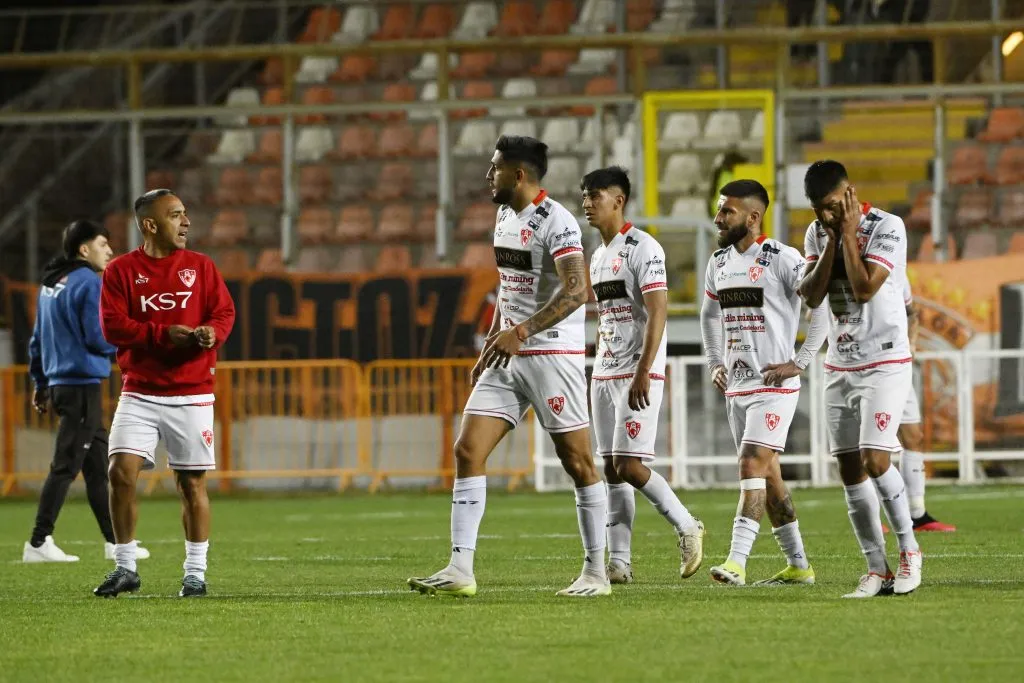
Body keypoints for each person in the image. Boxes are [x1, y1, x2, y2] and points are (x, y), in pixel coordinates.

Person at [407, 136, 609, 598]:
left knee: (576, 462)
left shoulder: (557, 222)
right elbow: (508, 288)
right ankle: (461, 569)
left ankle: (597, 573)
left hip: (552, 354)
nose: (487, 175)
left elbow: (578, 291)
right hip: (508, 353)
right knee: (467, 450)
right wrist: (493, 343)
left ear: (518, 175)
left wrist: (521, 332)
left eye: (495, 168)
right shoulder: (502, 216)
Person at [93, 189, 235, 598]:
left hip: (191, 393)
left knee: (191, 484)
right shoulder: (121, 272)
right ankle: (125, 567)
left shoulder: (201, 267)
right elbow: (112, 327)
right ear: (150, 225)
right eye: (176, 215)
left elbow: (223, 312)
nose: (186, 222)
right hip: (139, 392)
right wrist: (161, 335)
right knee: (120, 474)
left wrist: (212, 333)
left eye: (185, 214)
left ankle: (195, 573)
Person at [798, 160, 923, 598]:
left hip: (885, 359)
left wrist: (848, 233)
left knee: (876, 458)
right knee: (849, 469)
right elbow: (811, 295)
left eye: (832, 206)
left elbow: (866, 287)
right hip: (840, 363)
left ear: (850, 193)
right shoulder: (817, 233)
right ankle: (876, 568)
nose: (825, 216)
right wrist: (834, 237)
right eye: (818, 209)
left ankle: (909, 551)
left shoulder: (888, 226)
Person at [700, 179, 827, 587]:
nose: (718, 218)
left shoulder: (782, 258)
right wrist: (715, 361)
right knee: (769, 477)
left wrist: (801, 361)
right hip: (737, 386)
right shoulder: (718, 262)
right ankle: (800, 565)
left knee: (750, 462)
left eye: (727, 212)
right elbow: (708, 315)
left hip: (774, 385)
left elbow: (818, 305)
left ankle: (736, 562)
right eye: (720, 210)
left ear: (753, 217)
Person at [582, 166, 705, 585]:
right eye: (584, 195)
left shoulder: (644, 247)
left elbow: (658, 310)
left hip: (637, 372)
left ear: (618, 200)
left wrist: (644, 370)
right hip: (604, 371)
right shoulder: (598, 255)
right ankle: (620, 562)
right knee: (612, 469)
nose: (587, 203)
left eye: (595, 195)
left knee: (631, 465)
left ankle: (688, 525)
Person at [23, 220, 150, 564]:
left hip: (64, 384)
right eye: (102, 244)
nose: (109, 250)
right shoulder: (89, 282)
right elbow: (97, 337)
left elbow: (37, 341)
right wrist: (130, 346)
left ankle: (115, 542)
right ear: (84, 249)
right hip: (80, 387)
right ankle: (38, 541)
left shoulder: (51, 284)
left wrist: (41, 382)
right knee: (65, 466)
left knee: (98, 467)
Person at [895, 277, 955, 532]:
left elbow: (911, 313)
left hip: (896, 364)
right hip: (862, 364)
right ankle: (874, 513)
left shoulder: (896, 272)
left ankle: (917, 513)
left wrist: (911, 344)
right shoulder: (850, 270)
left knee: (913, 436)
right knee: (873, 445)